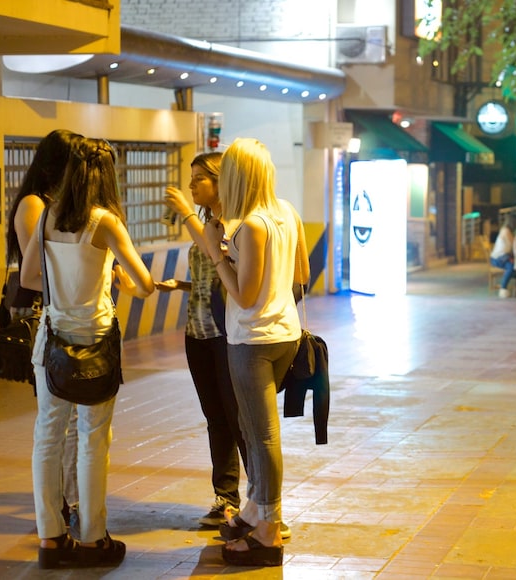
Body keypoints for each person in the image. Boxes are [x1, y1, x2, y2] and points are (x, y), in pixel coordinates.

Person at [20, 137, 154, 569]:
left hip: (52, 342)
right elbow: (145, 283)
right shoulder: (105, 222)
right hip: (93, 343)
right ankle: (95, 539)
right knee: (93, 439)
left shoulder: (48, 216)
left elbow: (28, 277)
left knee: (47, 436)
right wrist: (110, 275)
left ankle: (51, 540)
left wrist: (67, 290)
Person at [201, 138, 310, 567]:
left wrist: (217, 254)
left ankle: (268, 531)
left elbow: (244, 296)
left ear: (236, 176)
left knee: (261, 435)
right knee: (254, 428)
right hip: (286, 334)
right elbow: (301, 274)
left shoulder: (251, 225)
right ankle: (253, 510)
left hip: (252, 340)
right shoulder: (287, 212)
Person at [156, 152, 249, 529]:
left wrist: (187, 213)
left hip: (226, 334)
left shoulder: (231, 224)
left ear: (219, 182)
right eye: (190, 179)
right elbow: (212, 278)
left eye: (199, 179)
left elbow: (220, 258)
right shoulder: (207, 222)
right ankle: (225, 498)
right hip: (197, 333)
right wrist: (180, 285)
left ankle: (261, 501)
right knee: (215, 418)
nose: (191, 185)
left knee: (237, 416)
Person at [5, 129, 84, 530]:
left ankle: (66, 500)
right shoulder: (35, 204)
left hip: (59, 314)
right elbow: (33, 273)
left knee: (67, 419)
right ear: (59, 163)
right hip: (46, 318)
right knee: (59, 420)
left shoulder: (55, 202)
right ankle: (63, 504)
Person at [490, 213, 516, 298]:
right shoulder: (506, 231)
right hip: (498, 258)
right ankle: (503, 288)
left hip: (501, 257)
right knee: (512, 267)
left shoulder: (506, 230)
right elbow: (514, 245)